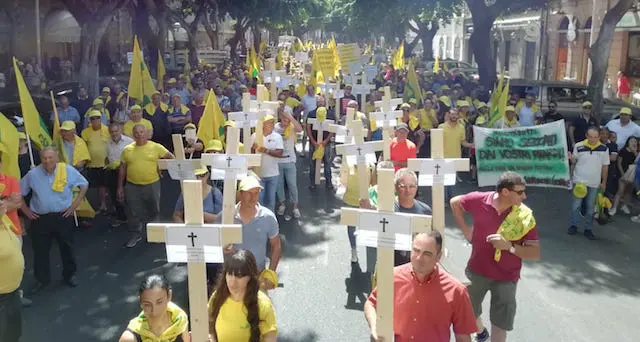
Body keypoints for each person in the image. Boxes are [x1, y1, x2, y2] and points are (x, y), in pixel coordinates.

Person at [450, 172, 541, 342]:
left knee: (500, 324)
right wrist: (466, 230)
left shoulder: (525, 216)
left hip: (507, 277)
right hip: (477, 270)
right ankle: (481, 331)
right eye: (520, 192)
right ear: (505, 192)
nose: (524, 196)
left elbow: (534, 253)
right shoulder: (479, 200)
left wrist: (509, 247)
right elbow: (455, 203)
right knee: (467, 313)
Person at [365, 231, 477, 342]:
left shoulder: (457, 291)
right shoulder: (393, 276)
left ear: (439, 256)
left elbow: (463, 337)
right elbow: (371, 303)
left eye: (427, 254)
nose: (419, 258)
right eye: (416, 251)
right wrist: (375, 327)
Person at [20, 147, 89, 291]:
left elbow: (84, 185)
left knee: (67, 247)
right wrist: (26, 211)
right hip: (40, 218)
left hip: (62, 216)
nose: (47, 161)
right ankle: (42, 280)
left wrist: (74, 205)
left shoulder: (67, 170)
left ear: (56, 157)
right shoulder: (33, 174)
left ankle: (70, 275)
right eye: (44, 158)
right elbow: (19, 192)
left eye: (50, 157)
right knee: (40, 251)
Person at [118, 124, 175, 248]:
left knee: (154, 210)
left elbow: (171, 157)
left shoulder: (156, 147)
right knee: (133, 211)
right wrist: (120, 187)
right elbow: (122, 168)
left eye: (142, 132)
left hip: (152, 184)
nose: (139, 135)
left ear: (147, 133)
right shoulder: (127, 149)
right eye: (137, 132)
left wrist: (160, 166)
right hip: (132, 185)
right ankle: (135, 234)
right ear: (133, 135)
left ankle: (155, 234)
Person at [215, 176, 281, 278]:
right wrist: (220, 249)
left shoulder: (268, 217)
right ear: (240, 194)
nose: (253, 197)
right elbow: (212, 244)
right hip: (231, 276)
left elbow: (276, 246)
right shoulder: (224, 217)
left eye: (256, 193)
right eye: (249, 193)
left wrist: (271, 273)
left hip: (257, 275)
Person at [207, 249, 277, 342]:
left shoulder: (263, 304)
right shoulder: (218, 296)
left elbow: (270, 337)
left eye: (239, 276)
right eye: (229, 274)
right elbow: (207, 322)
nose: (232, 281)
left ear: (250, 278)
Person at [119, 274, 190, 342]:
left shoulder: (180, 322)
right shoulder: (129, 338)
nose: (154, 311)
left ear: (169, 296)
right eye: (148, 304)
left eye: (159, 302)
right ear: (140, 302)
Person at [569, 127, 609, 240]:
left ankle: (588, 229)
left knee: (591, 207)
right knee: (576, 205)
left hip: (594, 183)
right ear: (586, 135)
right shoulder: (578, 146)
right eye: (591, 137)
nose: (593, 139)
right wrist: (571, 174)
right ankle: (574, 225)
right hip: (579, 180)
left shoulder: (604, 148)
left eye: (596, 137)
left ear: (599, 137)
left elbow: (605, 166)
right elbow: (574, 162)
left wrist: (604, 182)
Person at [0, 173, 24, 342]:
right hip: (3, 296)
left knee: (14, 332)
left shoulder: (3, 220)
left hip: (12, 292)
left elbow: (18, 203)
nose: (3, 204)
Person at [251, 115, 283, 213]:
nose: (272, 125)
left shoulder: (277, 136)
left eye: (273, 122)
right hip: (258, 175)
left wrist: (265, 150)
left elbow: (280, 153)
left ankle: (271, 224)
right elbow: (249, 154)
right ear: (263, 124)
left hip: (273, 174)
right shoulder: (254, 136)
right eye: (269, 123)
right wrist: (253, 148)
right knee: (259, 201)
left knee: (270, 201)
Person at [275, 108, 303, 221]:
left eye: (288, 117)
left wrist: (291, 118)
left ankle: (295, 206)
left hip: (290, 160)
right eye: (284, 117)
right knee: (279, 185)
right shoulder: (276, 127)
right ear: (280, 117)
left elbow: (300, 129)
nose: (286, 119)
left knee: (292, 185)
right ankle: (282, 204)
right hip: (278, 161)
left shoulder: (292, 126)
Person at [81, 110, 110, 213]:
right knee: (99, 185)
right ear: (89, 120)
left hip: (107, 163)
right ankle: (103, 204)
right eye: (93, 118)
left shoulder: (108, 130)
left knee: (110, 184)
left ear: (100, 118)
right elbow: (82, 147)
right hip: (92, 163)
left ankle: (113, 205)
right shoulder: (85, 132)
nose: (95, 120)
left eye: (97, 117)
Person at [106, 123, 133, 228]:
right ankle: (121, 218)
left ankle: (134, 219)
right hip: (113, 172)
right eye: (111, 132)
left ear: (120, 131)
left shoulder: (129, 141)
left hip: (127, 171)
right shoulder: (107, 143)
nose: (114, 133)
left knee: (129, 196)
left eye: (116, 131)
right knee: (115, 196)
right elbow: (108, 157)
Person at [306, 101, 335, 190]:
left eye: (322, 103)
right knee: (312, 164)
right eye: (319, 103)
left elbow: (333, 128)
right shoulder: (311, 113)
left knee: (327, 163)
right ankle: (312, 183)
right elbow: (308, 127)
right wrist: (313, 141)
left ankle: (329, 182)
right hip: (314, 143)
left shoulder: (330, 114)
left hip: (326, 143)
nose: (321, 104)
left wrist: (326, 141)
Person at [609, 135, 638, 215]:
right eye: (631, 141)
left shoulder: (637, 152)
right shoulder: (623, 150)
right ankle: (614, 207)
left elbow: (637, 162)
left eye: (635, 141)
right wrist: (622, 174)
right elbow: (619, 163)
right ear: (628, 142)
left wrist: (635, 152)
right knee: (620, 191)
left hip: (632, 174)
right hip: (623, 173)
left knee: (629, 191)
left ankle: (624, 205)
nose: (633, 143)